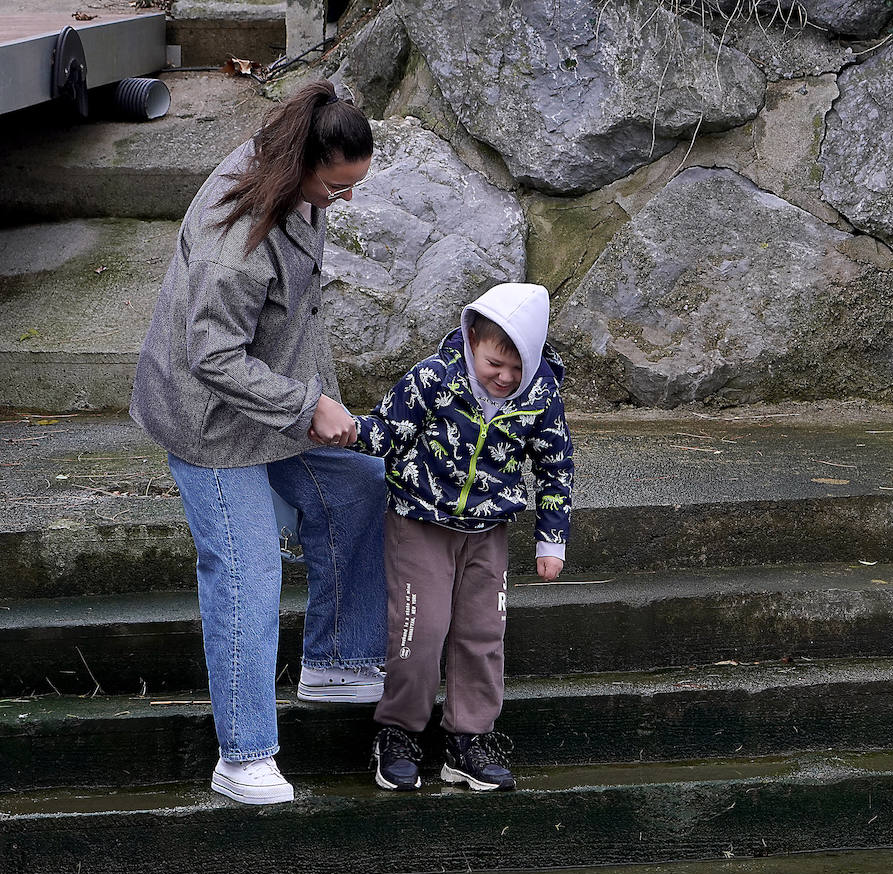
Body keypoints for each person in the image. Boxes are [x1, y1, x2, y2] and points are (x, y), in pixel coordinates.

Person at [129, 80, 388, 805]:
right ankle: (242, 757)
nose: (342, 201)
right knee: (247, 574)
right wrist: (311, 406)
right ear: (302, 164)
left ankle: (337, 661)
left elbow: (296, 313)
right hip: (207, 423)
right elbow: (211, 357)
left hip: (271, 403)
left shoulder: (294, 179)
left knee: (362, 484)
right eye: (338, 188)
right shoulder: (232, 247)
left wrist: (319, 407)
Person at [351, 282, 574, 793]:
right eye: (497, 363)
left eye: (518, 369)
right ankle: (399, 731)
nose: (505, 378)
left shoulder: (540, 394)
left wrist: (551, 539)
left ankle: (469, 739)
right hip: (421, 523)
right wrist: (346, 429)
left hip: (488, 532)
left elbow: (555, 466)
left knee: (482, 633)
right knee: (421, 629)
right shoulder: (434, 379)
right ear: (472, 336)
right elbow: (389, 433)